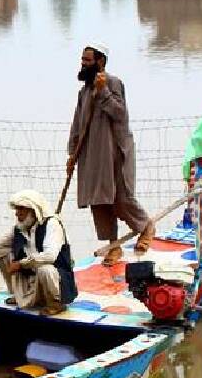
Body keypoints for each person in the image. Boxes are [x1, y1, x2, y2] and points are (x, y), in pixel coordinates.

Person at [66, 42, 154, 266]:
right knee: (99, 201)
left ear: (100, 61)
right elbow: (77, 124)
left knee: (120, 196)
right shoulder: (84, 92)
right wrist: (72, 154)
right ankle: (113, 246)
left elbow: (120, 113)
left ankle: (145, 226)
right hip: (90, 157)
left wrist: (103, 91)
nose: (83, 64)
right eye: (82, 60)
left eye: (88, 60)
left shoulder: (113, 83)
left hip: (114, 152)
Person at [0, 189, 76, 316]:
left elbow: (50, 256)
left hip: (58, 283)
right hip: (33, 280)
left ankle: (55, 304)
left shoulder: (52, 224)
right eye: (16, 209)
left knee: (45, 268)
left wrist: (21, 264)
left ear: (34, 210)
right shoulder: (19, 229)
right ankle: (19, 296)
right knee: (3, 255)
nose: (17, 213)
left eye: (21, 209)